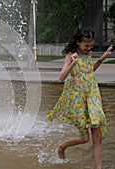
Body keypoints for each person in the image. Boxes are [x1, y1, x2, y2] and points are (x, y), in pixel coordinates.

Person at [47, 28, 112, 169]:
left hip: (93, 96)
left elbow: (89, 71)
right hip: (79, 99)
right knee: (84, 138)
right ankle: (62, 146)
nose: (89, 49)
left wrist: (101, 59)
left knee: (97, 136)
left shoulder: (88, 54)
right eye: (86, 46)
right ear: (78, 42)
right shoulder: (72, 55)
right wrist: (73, 64)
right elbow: (61, 77)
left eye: (91, 46)